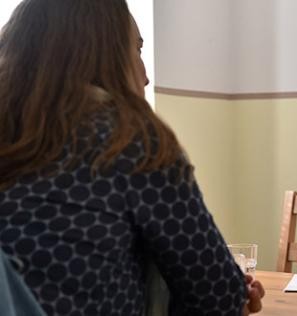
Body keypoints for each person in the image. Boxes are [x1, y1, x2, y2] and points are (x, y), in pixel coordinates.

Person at [0, 0, 263, 315]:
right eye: (137, 51)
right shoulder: (127, 139)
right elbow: (214, 293)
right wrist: (236, 292)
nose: (146, 77)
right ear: (103, 57)